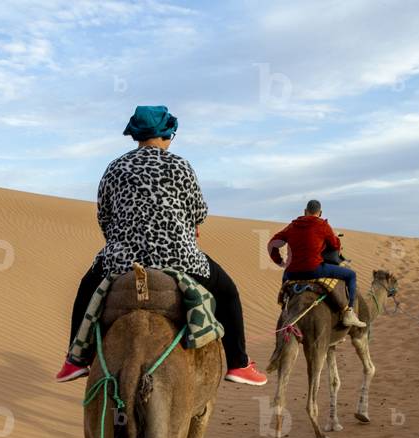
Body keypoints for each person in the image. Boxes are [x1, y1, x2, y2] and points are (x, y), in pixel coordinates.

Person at [56, 105, 267, 386]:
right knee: (228, 293)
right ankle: (238, 363)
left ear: (136, 134)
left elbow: (104, 216)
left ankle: (75, 359)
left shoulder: (115, 167)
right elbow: (199, 213)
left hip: (122, 260)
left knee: (85, 290)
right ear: (167, 134)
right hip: (180, 258)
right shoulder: (181, 166)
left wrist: (122, 241)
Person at [267, 200, 366, 328]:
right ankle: (349, 313)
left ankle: (285, 309)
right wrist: (334, 236)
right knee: (351, 275)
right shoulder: (323, 226)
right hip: (314, 269)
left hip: (292, 273)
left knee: (285, 284)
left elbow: (272, 244)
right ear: (320, 213)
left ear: (305, 211)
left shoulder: (292, 226)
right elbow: (335, 246)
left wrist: (280, 262)